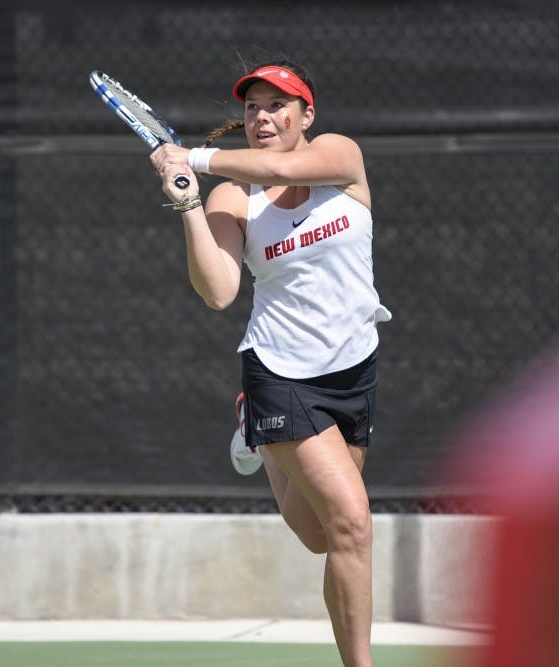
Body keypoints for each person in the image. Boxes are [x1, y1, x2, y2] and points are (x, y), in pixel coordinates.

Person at [149, 59, 390, 667]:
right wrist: (189, 207)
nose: (263, 117)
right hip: (280, 371)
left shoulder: (340, 157)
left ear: (307, 114)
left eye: (279, 105)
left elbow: (283, 167)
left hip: (352, 368)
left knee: (320, 537)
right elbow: (220, 290)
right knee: (353, 527)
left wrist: (192, 157)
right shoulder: (235, 195)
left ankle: (252, 436)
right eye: (253, 107)